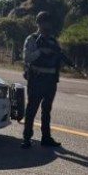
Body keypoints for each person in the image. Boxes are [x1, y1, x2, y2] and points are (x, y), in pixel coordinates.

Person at [21, 11, 72, 149]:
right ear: (38, 23)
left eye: (49, 22)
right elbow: (27, 58)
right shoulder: (32, 39)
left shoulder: (53, 41)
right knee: (31, 109)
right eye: (44, 22)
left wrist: (61, 60)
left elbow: (57, 60)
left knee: (46, 110)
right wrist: (41, 51)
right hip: (36, 79)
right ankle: (26, 137)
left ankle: (46, 137)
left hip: (50, 80)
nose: (47, 25)